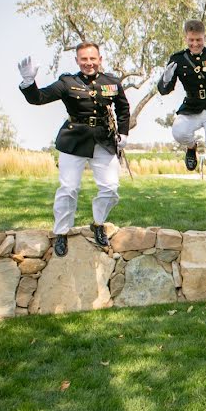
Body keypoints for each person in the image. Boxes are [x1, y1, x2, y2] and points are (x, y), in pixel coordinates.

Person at [17, 42, 131, 256]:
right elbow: (39, 98)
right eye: (84, 59)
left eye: (92, 59)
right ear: (78, 61)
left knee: (111, 189)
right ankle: (61, 232)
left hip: (104, 140)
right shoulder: (67, 82)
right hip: (74, 140)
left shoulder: (112, 83)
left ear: (100, 59)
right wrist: (28, 82)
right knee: (68, 189)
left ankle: (98, 223)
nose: (89, 63)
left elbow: (123, 108)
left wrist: (123, 132)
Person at [157, 19, 206, 171]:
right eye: (191, 40)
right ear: (185, 38)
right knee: (178, 132)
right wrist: (165, 80)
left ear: (205, 37)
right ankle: (192, 148)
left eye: (198, 39)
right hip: (191, 107)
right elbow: (164, 90)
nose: (195, 44)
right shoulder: (177, 59)